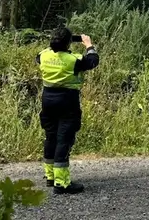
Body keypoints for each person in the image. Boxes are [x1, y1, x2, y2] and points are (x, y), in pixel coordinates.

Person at [36, 27, 99, 194]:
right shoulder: (74, 60)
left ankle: (50, 176)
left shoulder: (43, 55)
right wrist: (88, 45)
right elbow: (93, 61)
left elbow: (42, 55)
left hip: (47, 100)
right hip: (67, 101)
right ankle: (62, 183)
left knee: (51, 137)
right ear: (68, 42)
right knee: (64, 139)